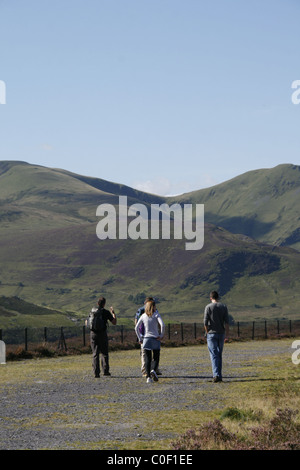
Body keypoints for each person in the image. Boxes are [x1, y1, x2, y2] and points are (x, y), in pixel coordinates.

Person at [135, 299, 165, 383]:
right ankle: (153, 370)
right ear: (153, 307)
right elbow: (162, 325)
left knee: (147, 358)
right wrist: (161, 335)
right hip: (155, 338)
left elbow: (136, 327)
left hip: (146, 339)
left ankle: (148, 377)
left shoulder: (143, 316)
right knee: (156, 357)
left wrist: (140, 338)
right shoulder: (156, 315)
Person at [86, 296, 117, 378]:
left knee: (95, 353)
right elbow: (114, 322)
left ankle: (96, 372)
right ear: (104, 304)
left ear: (97, 303)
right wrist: (113, 313)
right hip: (102, 334)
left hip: (93, 334)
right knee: (104, 352)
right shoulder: (105, 312)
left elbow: (87, 322)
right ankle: (105, 371)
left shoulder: (92, 312)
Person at [204, 291, 229, 383]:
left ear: (211, 298)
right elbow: (226, 322)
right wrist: (227, 334)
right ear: (218, 297)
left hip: (211, 333)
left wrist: (207, 333)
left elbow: (205, 323)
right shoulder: (223, 307)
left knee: (213, 354)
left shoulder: (208, 307)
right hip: (221, 333)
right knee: (219, 354)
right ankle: (219, 375)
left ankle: (216, 375)